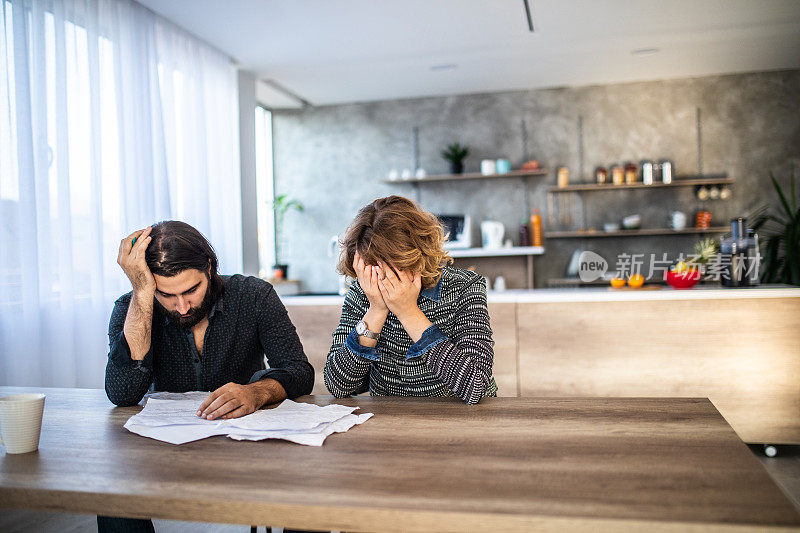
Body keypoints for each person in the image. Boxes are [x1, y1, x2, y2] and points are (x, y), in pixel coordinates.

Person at [101, 220, 314, 533]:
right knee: (112, 494)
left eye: (191, 290)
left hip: (245, 447)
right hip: (165, 450)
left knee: (309, 488)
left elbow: (299, 370)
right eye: (166, 295)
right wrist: (143, 295)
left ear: (210, 268)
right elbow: (122, 392)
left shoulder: (253, 296)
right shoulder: (132, 307)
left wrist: (256, 392)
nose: (183, 306)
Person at [323, 195, 498, 404]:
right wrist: (376, 311)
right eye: (372, 269)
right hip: (391, 423)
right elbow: (338, 386)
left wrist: (408, 312)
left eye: (389, 269)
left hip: (462, 422)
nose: (380, 279)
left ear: (417, 257)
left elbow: (475, 386)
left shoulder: (465, 287)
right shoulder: (364, 291)